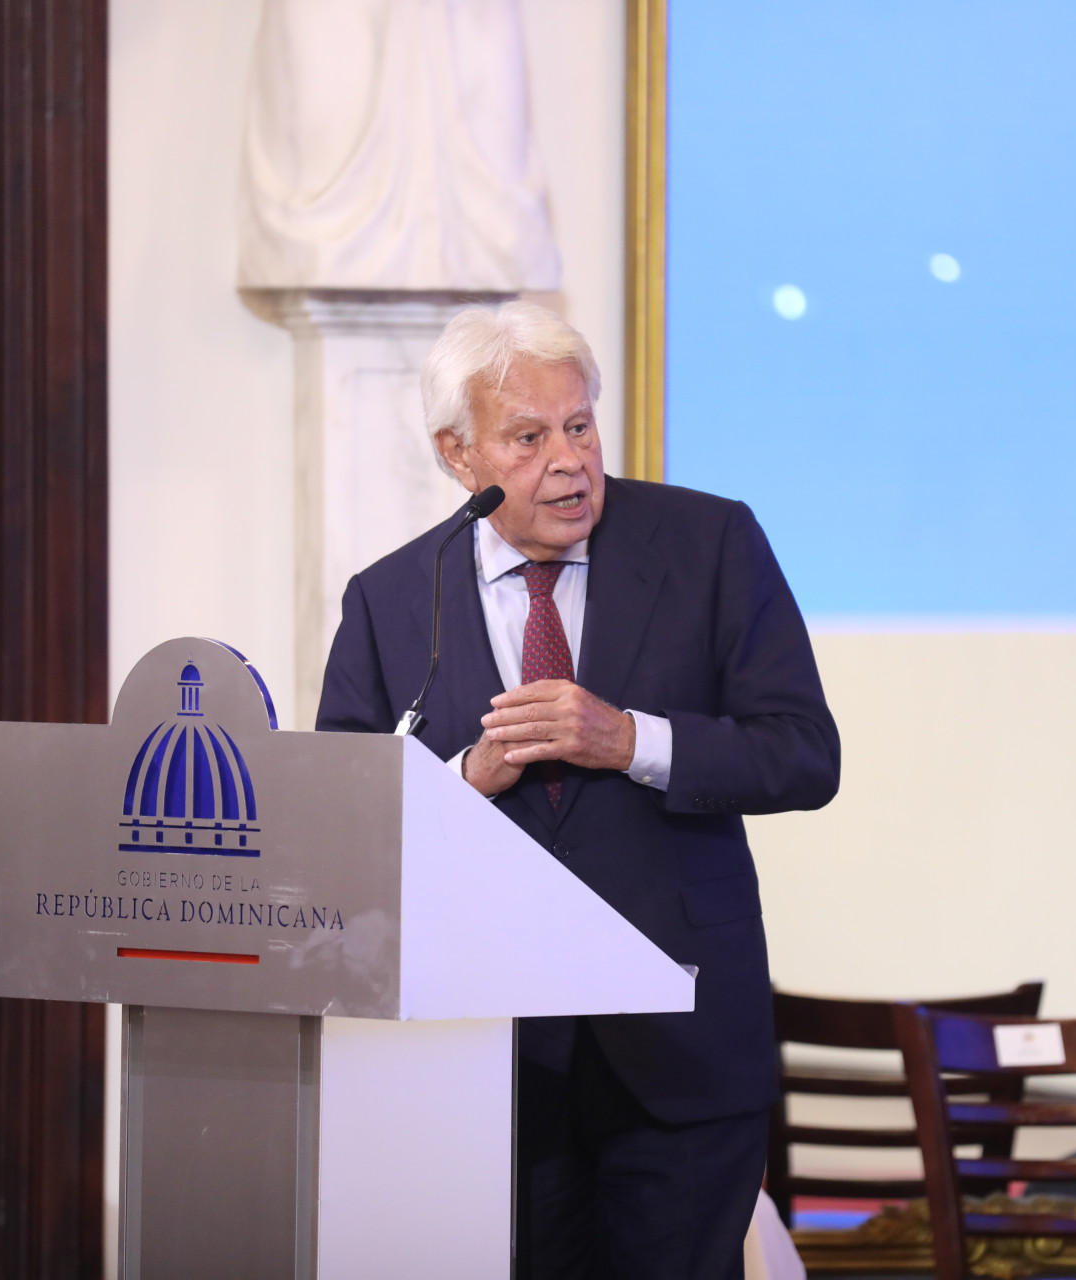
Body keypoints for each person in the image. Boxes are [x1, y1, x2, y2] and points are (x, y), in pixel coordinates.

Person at [315, 301, 841, 1279]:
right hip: (489, 1058)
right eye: (528, 438)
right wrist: (466, 779)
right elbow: (342, 821)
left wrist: (633, 739)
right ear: (457, 455)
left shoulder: (711, 542)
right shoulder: (391, 598)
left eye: (580, 425)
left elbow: (806, 753)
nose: (568, 461)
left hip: (682, 1047)